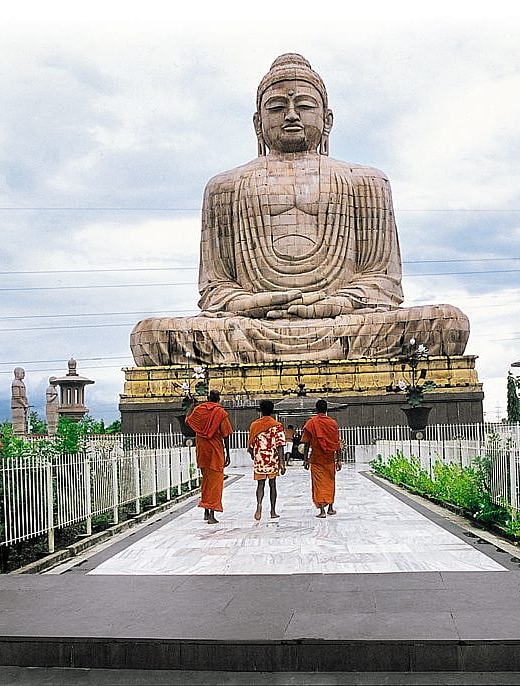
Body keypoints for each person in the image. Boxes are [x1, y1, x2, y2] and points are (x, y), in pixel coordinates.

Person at [130, 53, 470, 366]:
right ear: (257, 122)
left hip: (344, 321)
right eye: (277, 107)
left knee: (447, 323)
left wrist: (331, 304)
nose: (291, 114)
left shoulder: (366, 182)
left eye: (304, 105)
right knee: (150, 335)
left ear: (328, 119)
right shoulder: (225, 187)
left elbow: (382, 282)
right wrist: (255, 304)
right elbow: (216, 288)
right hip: (252, 325)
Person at [186, 389, 233, 524]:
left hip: (202, 452)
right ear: (219, 399)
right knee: (215, 483)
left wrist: (191, 405)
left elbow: (188, 421)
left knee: (206, 481)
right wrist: (227, 453)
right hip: (215, 452)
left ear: (208, 398)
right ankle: (211, 514)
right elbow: (226, 435)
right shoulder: (221, 413)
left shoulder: (199, 410)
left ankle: (206, 511)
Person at [247, 400, 288, 521]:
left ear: (260, 410)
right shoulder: (277, 425)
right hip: (272, 458)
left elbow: (250, 444)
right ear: (272, 410)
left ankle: (259, 505)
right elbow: (280, 444)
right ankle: (273, 511)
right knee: (272, 484)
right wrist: (282, 462)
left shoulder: (254, 425)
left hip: (259, 458)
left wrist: (253, 455)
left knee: (260, 484)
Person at [301, 399, 342, 518]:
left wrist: (305, 459)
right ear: (326, 409)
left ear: (316, 409)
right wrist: (339, 459)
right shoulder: (332, 423)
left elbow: (306, 443)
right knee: (330, 482)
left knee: (319, 484)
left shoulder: (311, 423)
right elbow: (336, 442)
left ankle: (322, 511)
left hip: (316, 458)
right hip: (330, 458)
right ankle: (330, 508)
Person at [11, 367, 29, 434]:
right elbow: (17, 396)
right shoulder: (15, 383)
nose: (24, 375)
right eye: (22, 373)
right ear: (17, 373)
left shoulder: (21, 383)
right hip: (17, 406)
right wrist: (24, 404)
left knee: (22, 422)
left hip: (22, 406)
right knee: (18, 424)